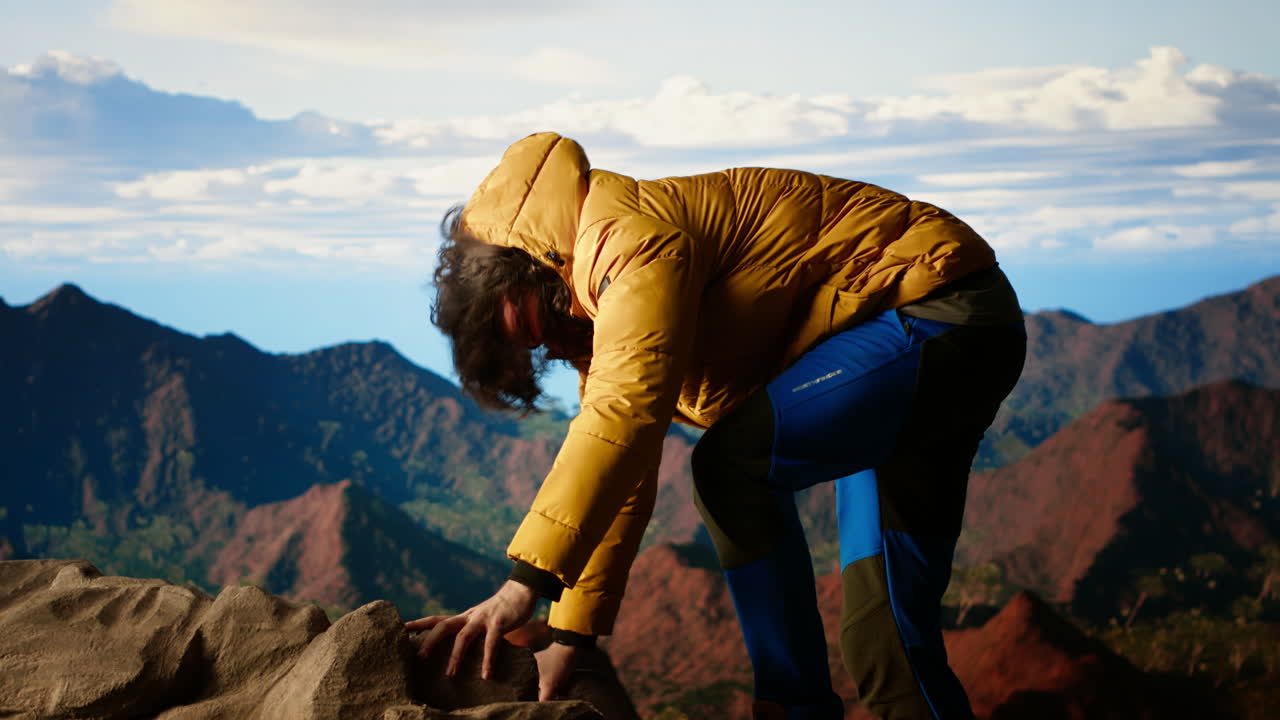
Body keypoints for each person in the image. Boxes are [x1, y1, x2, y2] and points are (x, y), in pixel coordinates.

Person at [408, 132, 1026, 720]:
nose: (549, 346)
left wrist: (523, 584)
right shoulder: (590, 306)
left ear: (521, 271)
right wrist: (571, 634)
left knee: (731, 469)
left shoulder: (621, 241)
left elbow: (621, 416)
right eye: (534, 349)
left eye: (532, 329)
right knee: (886, 644)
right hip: (934, 343)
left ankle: (793, 711)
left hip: (932, 313)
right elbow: (622, 470)